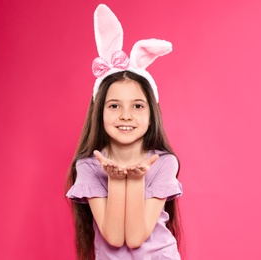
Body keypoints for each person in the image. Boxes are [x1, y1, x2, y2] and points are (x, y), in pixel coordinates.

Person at [65, 4, 182, 260]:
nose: (126, 115)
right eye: (114, 105)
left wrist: (137, 178)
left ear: (152, 114)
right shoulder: (88, 166)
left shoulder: (164, 163)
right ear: (100, 112)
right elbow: (115, 239)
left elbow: (136, 236)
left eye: (137, 106)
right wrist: (117, 180)